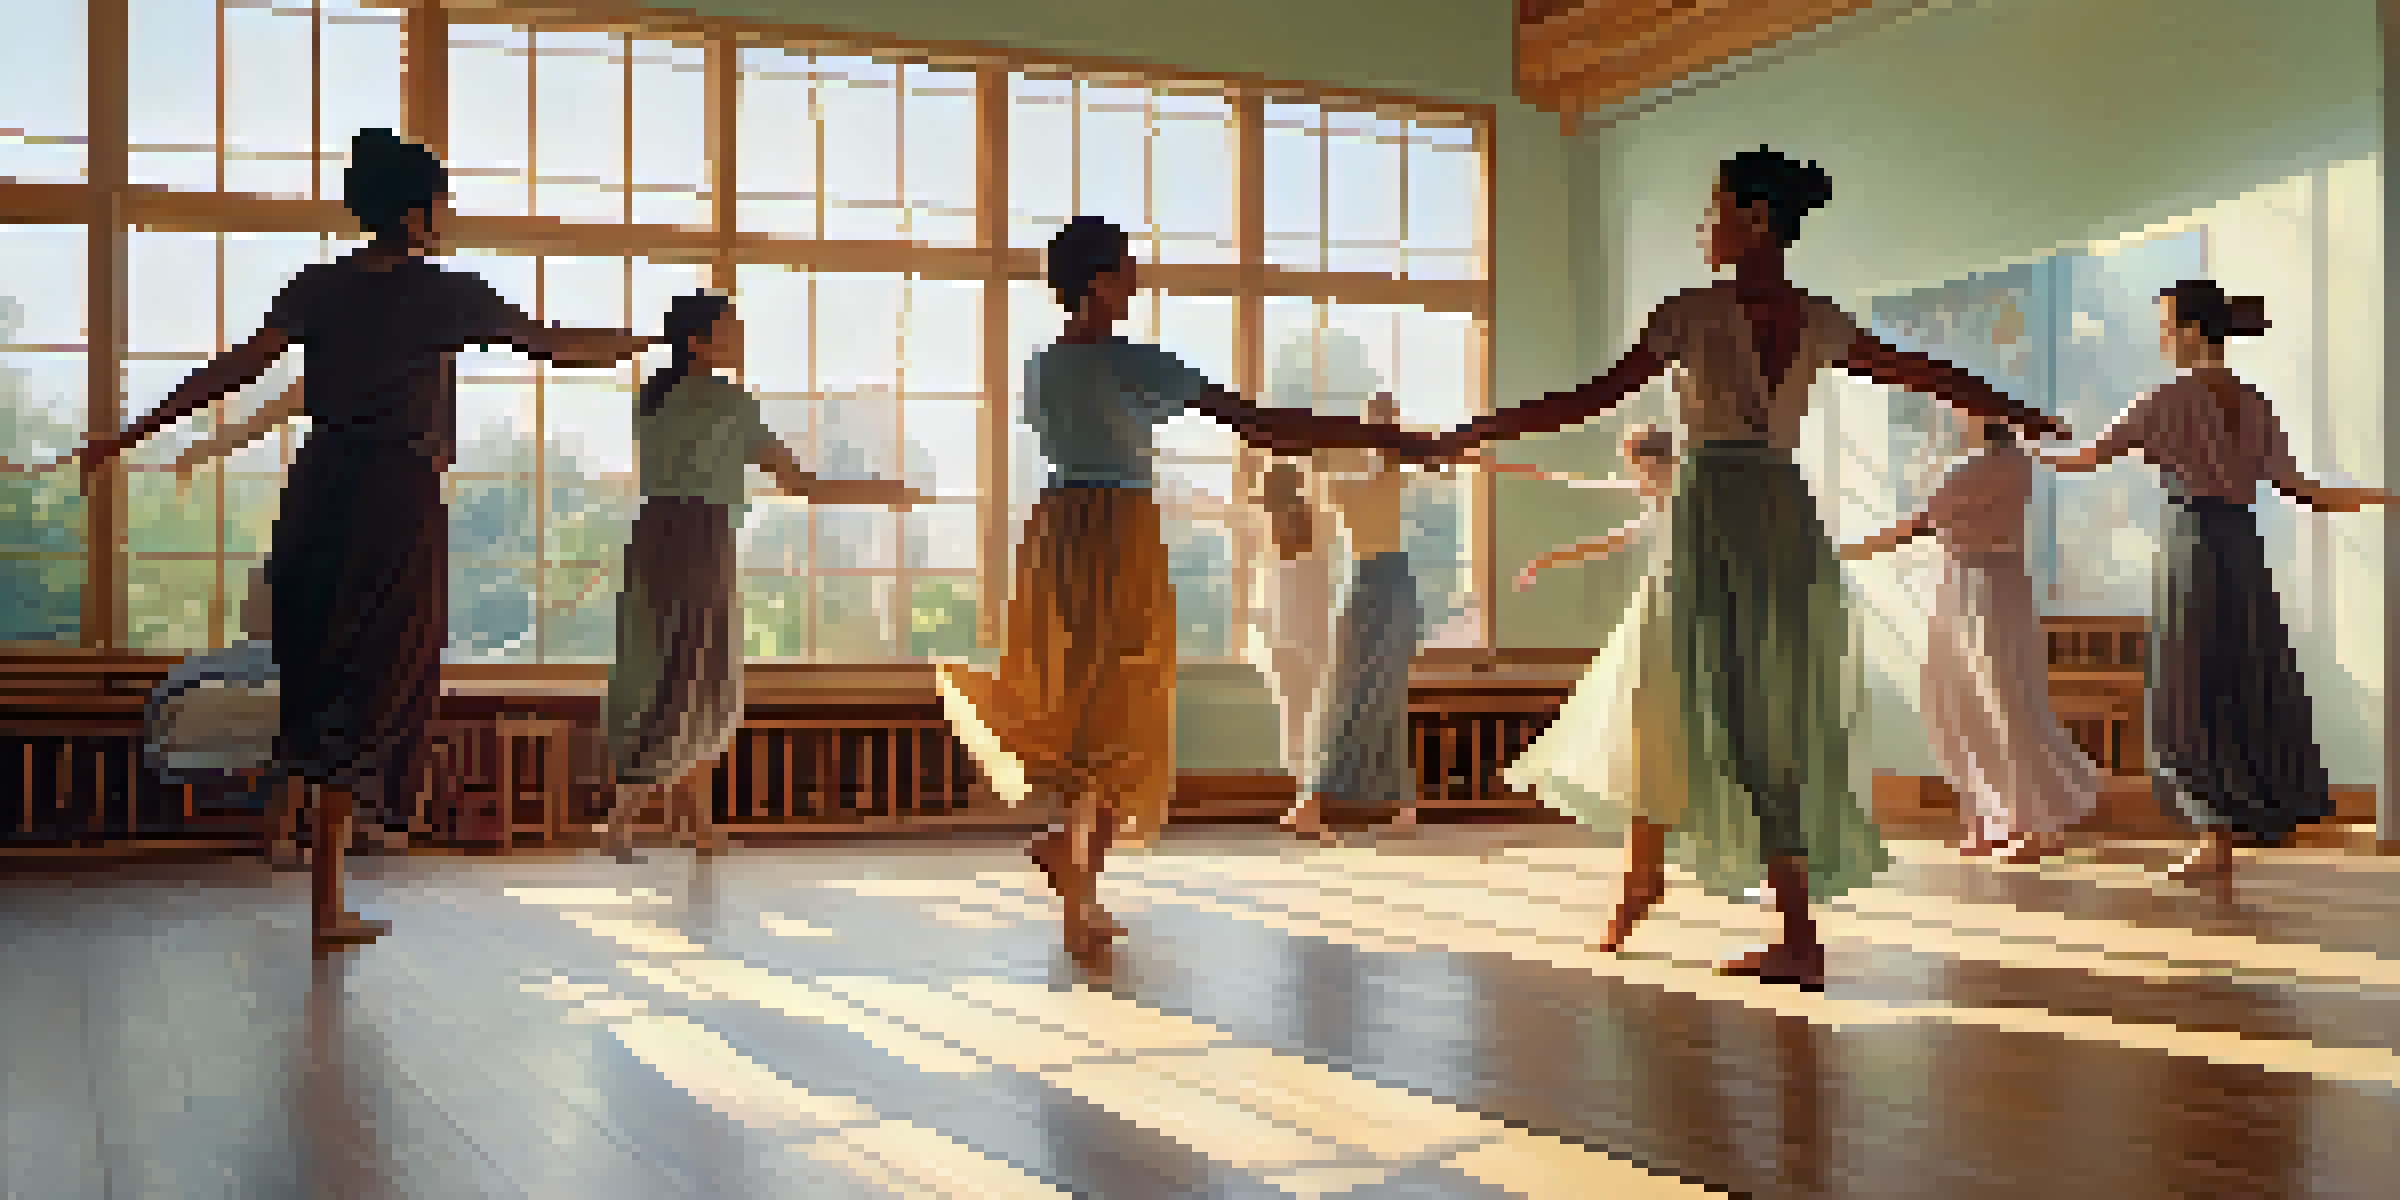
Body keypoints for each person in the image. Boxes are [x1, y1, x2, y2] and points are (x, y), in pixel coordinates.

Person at [1425, 147, 2064, 989]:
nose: (1705, 226)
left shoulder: (1691, 313)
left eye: (1716, 208)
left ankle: (1730, 911)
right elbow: (1924, 374)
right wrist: (2015, 408)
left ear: (1756, 220)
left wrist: (1475, 431)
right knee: (1737, 703)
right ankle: (1697, 897)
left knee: (1678, 692)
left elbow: (1590, 399)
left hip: (1721, 509)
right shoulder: (1812, 319)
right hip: (1774, 509)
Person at [75, 128, 654, 953]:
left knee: (322, 679)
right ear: (414, 215)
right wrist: (641, 344)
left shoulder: (319, 288)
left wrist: (127, 435)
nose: (447, 217)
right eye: (441, 204)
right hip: (393, 500)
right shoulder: (446, 294)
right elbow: (555, 345)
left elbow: (232, 369)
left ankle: (326, 899)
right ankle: (330, 896)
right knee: (380, 680)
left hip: (318, 494)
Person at [937, 215, 1441, 959]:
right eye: (1126, 269)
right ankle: (1073, 868)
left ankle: (1079, 889)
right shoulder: (1135, 363)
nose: (1136, 280)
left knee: (1083, 712)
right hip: (1118, 533)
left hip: (1057, 533)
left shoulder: (1043, 367)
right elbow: (1260, 425)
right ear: (1099, 283)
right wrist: (1374, 437)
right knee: (1125, 711)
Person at [2036, 280, 2390, 894]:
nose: (2162, 339)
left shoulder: (2164, 396)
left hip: (2192, 545)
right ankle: (2227, 832)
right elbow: (2305, 490)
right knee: (2240, 679)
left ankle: (2213, 837)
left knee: (2189, 690)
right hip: (2241, 549)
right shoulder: (2253, 399)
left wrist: (2025, 443)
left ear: (2194, 331)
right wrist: (2379, 495)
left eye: (2168, 327)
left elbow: (2086, 457)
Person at [598, 291, 920, 862]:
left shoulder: (653, 397)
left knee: (670, 673)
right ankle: (622, 823)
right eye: (729, 327)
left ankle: (695, 825)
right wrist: (881, 491)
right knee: (694, 678)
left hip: (651, 541)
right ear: (700, 341)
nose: (740, 335)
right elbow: (801, 484)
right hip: (701, 541)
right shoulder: (729, 402)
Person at [1842, 414, 2101, 863]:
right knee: (1967, 705)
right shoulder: (2003, 461)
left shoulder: (1990, 464)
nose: (1955, 415)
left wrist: (1848, 548)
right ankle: (1994, 819)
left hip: (1982, 584)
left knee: (2002, 706)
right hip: (1971, 582)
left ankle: (2037, 825)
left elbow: (1920, 521)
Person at [1500, 425, 1693, 950]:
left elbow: (1608, 497)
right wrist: (1546, 557)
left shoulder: (1683, 496)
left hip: (1679, 626)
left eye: (1633, 462)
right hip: (1660, 625)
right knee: (1643, 752)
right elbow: (1605, 525)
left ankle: (1644, 880)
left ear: (1649, 462)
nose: (1630, 474)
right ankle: (1641, 878)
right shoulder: (1659, 502)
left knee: (1659, 751)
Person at [1293, 389, 1424, 840]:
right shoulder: (1351, 480)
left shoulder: (1379, 475)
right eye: (1384, 419)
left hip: (1387, 584)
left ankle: (1401, 806)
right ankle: (1311, 805)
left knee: (1383, 696)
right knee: (1351, 697)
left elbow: (1421, 455)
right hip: (1372, 585)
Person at [1243, 455, 1338, 830]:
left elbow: (1266, 602)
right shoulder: (1316, 530)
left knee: (1296, 723)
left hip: (1284, 641)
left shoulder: (1271, 539)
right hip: (1312, 639)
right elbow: (1320, 589)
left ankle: (1307, 803)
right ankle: (1308, 803)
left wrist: (1260, 632)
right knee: (1313, 723)